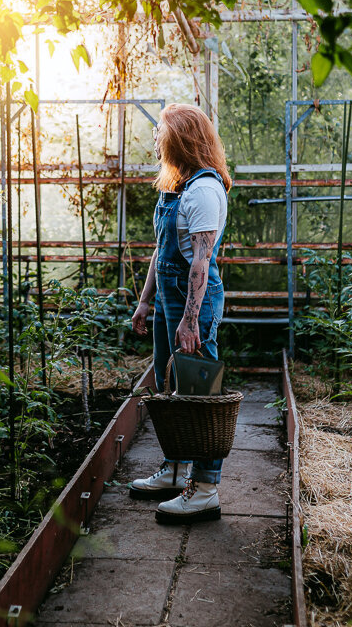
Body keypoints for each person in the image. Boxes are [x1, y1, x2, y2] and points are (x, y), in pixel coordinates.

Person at [128, 103, 231, 525]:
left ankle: (205, 489)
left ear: (180, 140)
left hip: (194, 299)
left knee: (200, 390)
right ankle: (174, 470)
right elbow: (161, 251)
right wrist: (145, 300)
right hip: (170, 295)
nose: (156, 142)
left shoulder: (205, 190)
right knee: (171, 384)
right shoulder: (181, 186)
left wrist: (190, 320)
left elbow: (200, 263)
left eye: (161, 135)